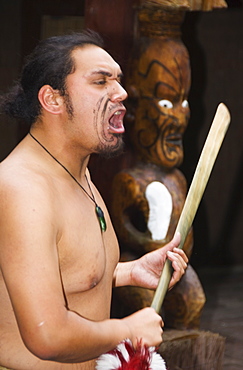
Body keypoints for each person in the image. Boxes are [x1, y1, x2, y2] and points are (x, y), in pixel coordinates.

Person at [0, 31, 188, 370]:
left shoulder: (78, 172)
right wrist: (127, 330)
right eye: (101, 82)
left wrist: (130, 271)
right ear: (52, 99)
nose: (122, 92)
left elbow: (62, 272)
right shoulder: (21, 188)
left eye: (118, 80)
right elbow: (47, 335)